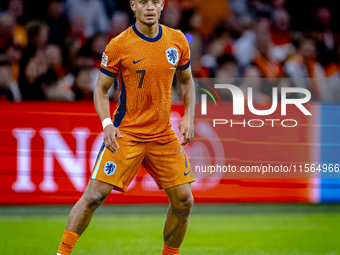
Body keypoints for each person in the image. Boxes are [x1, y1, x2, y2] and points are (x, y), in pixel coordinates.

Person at [56, 1, 196, 255]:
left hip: (162, 134)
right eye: (143, 1)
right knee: (93, 196)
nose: (150, 6)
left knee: (184, 200)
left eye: (155, 1)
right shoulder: (119, 44)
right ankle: (62, 253)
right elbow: (100, 89)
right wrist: (107, 124)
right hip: (127, 133)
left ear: (163, 4)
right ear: (133, 5)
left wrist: (188, 115)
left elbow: (186, 80)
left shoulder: (177, 40)